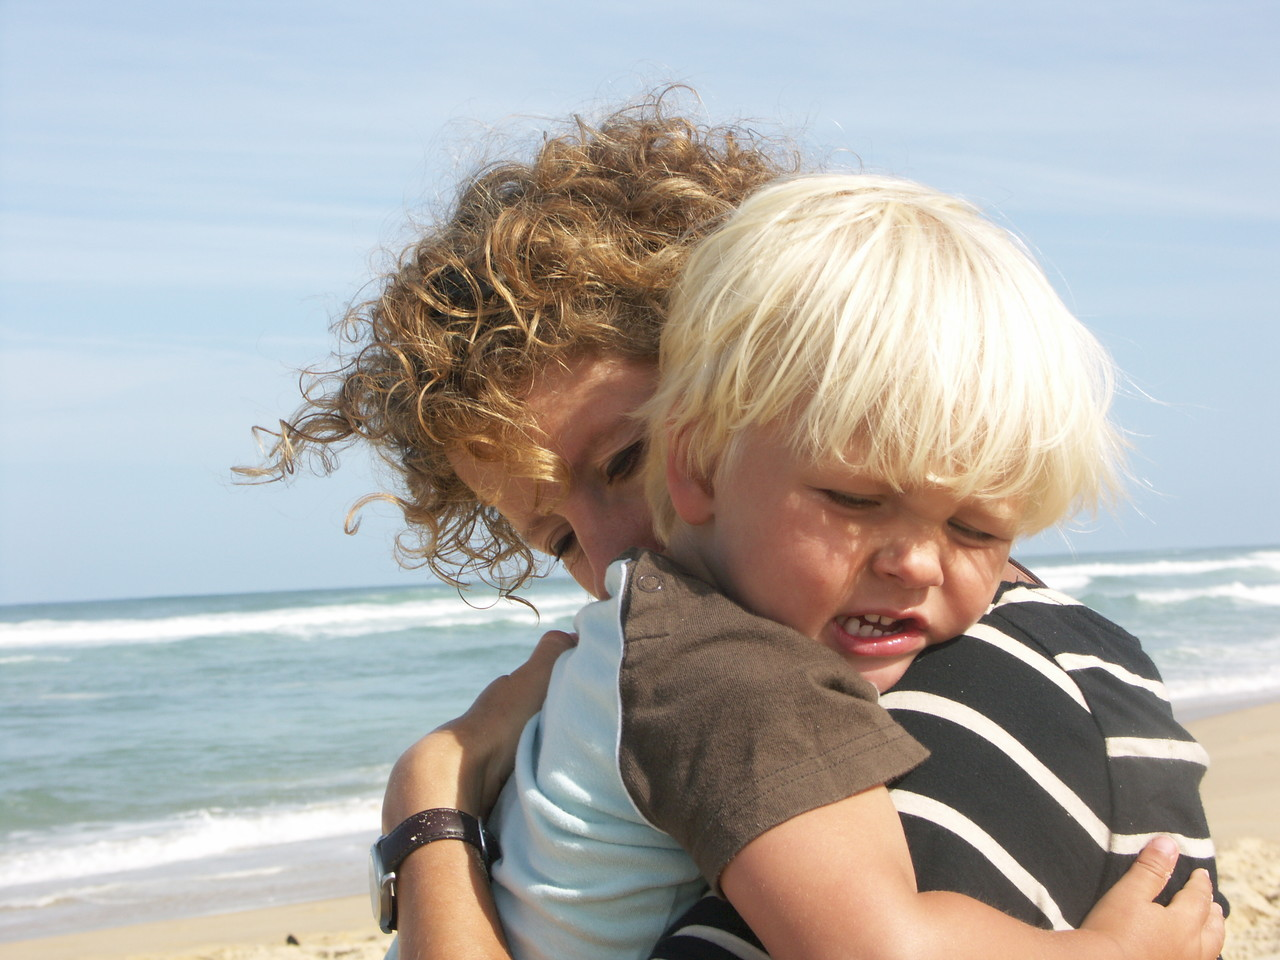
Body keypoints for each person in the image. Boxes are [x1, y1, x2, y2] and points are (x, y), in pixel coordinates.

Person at [245, 93, 1222, 959]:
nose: (611, 556)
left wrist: (427, 808)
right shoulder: (722, 663)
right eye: (556, 541)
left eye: (623, 461)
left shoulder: (763, 641)